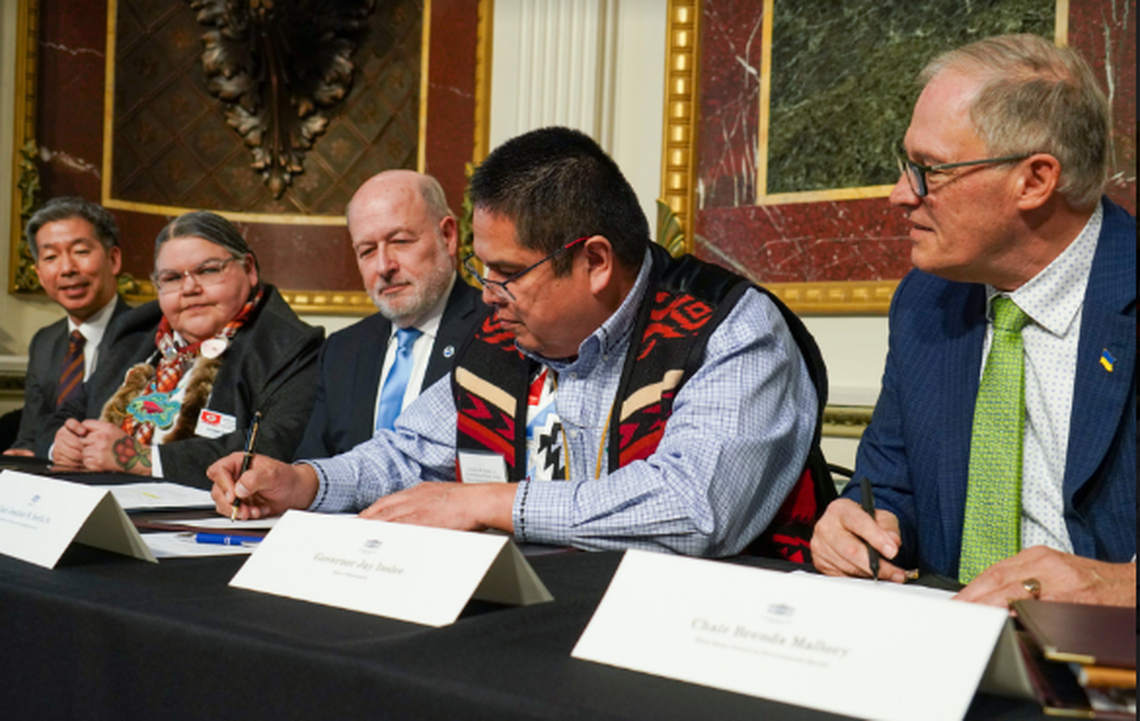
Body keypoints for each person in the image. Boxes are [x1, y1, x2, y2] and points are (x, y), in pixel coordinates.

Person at [209, 126, 824, 557]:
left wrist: (488, 504)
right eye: (483, 271)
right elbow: (409, 452)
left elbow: (696, 508)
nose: (486, 294)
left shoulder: (728, 329)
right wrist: (306, 484)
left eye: (507, 273)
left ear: (596, 261)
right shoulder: (506, 336)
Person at [810, 35, 1136, 606]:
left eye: (930, 170)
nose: (898, 196)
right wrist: (858, 525)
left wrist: (1117, 587)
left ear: (1034, 180)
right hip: (945, 648)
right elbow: (889, 489)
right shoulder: (924, 303)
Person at [45, 211, 324, 486]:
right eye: (172, 278)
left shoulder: (290, 346)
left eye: (208, 270)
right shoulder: (134, 334)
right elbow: (61, 417)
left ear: (249, 269)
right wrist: (63, 444)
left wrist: (142, 459)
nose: (189, 288)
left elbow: (276, 446)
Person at [293, 170, 482, 459]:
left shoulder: (497, 331)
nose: (384, 266)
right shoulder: (342, 350)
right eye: (367, 250)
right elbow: (313, 468)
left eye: (401, 241)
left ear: (448, 236)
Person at [5, 198, 131, 456]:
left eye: (81, 252)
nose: (67, 268)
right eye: (50, 257)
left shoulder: (149, 334)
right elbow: (30, 436)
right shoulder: (44, 341)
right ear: (39, 274)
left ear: (113, 259)